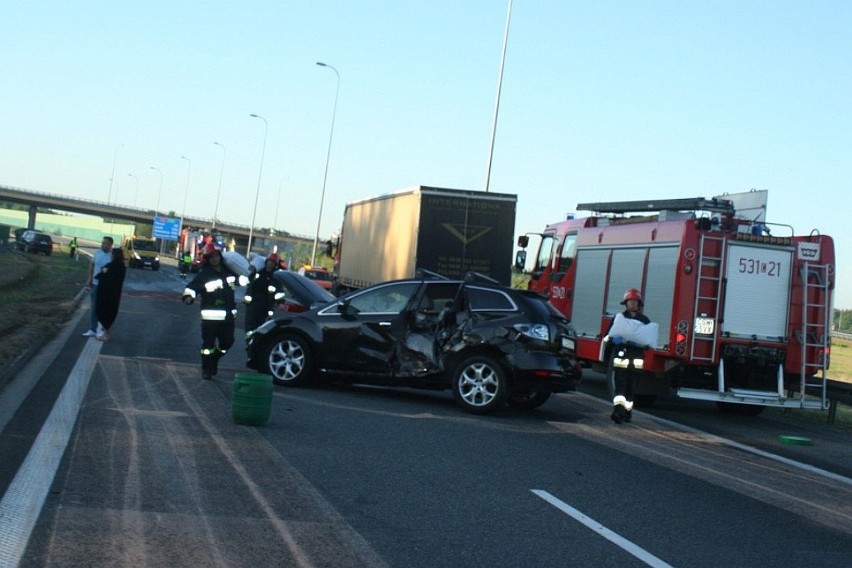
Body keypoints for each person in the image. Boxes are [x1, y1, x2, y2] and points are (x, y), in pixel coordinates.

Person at [182, 243, 247, 380]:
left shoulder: (228, 271)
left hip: (227, 318)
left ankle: (215, 358)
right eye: (210, 257)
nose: (214, 259)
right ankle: (206, 369)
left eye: (215, 255)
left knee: (227, 343)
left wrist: (250, 276)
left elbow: (241, 280)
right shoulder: (204, 274)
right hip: (210, 320)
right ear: (207, 259)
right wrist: (188, 296)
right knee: (208, 347)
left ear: (219, 255)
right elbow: (192, 287)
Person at [605, 288, 652, 424]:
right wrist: (613, 340)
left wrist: (642, 344)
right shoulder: (620, 319)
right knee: (620, 389)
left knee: (631, 391)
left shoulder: (644, 321)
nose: (632, 303)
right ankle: (617, 413)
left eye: (635, 301)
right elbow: (607, 337)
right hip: (621, 362)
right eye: (630, 301)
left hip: (636, 363)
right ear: (625, 303)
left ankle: (627, 413)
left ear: (639, 303)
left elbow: (649, 341)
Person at [244, 252, 285, 335]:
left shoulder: (275, 277)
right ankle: (249, 342)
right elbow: (249, 281)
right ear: (266, 262)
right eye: (269, 261)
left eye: (273, 262)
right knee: (250, 325)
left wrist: (281, 302)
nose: (270, 264)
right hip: (253, 303)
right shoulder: (258, 272)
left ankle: (256, 343)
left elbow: (279, 291)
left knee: (261, 326)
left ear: (275, 265)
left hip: (266, 305)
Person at [83, 236, 114, 337]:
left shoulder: (113, 256)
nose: (102, 244)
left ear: (110, 245)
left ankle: (103, 330)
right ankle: (93, 329)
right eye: (102, 242)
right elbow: (92, 265)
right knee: (94, 307)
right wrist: (89, 279)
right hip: (95, 284)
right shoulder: (97, 252)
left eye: (105, 243)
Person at [94, 248, 127, 341]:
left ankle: (105, 333)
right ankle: (106, 332)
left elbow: (102, 274)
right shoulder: (122, 267)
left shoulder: (111, 266)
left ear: (115, 255)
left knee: (102, 311)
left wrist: (104, 272)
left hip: (105, 293)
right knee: (111, 312)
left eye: (113, 254)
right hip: (115, 294)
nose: (111, 255)